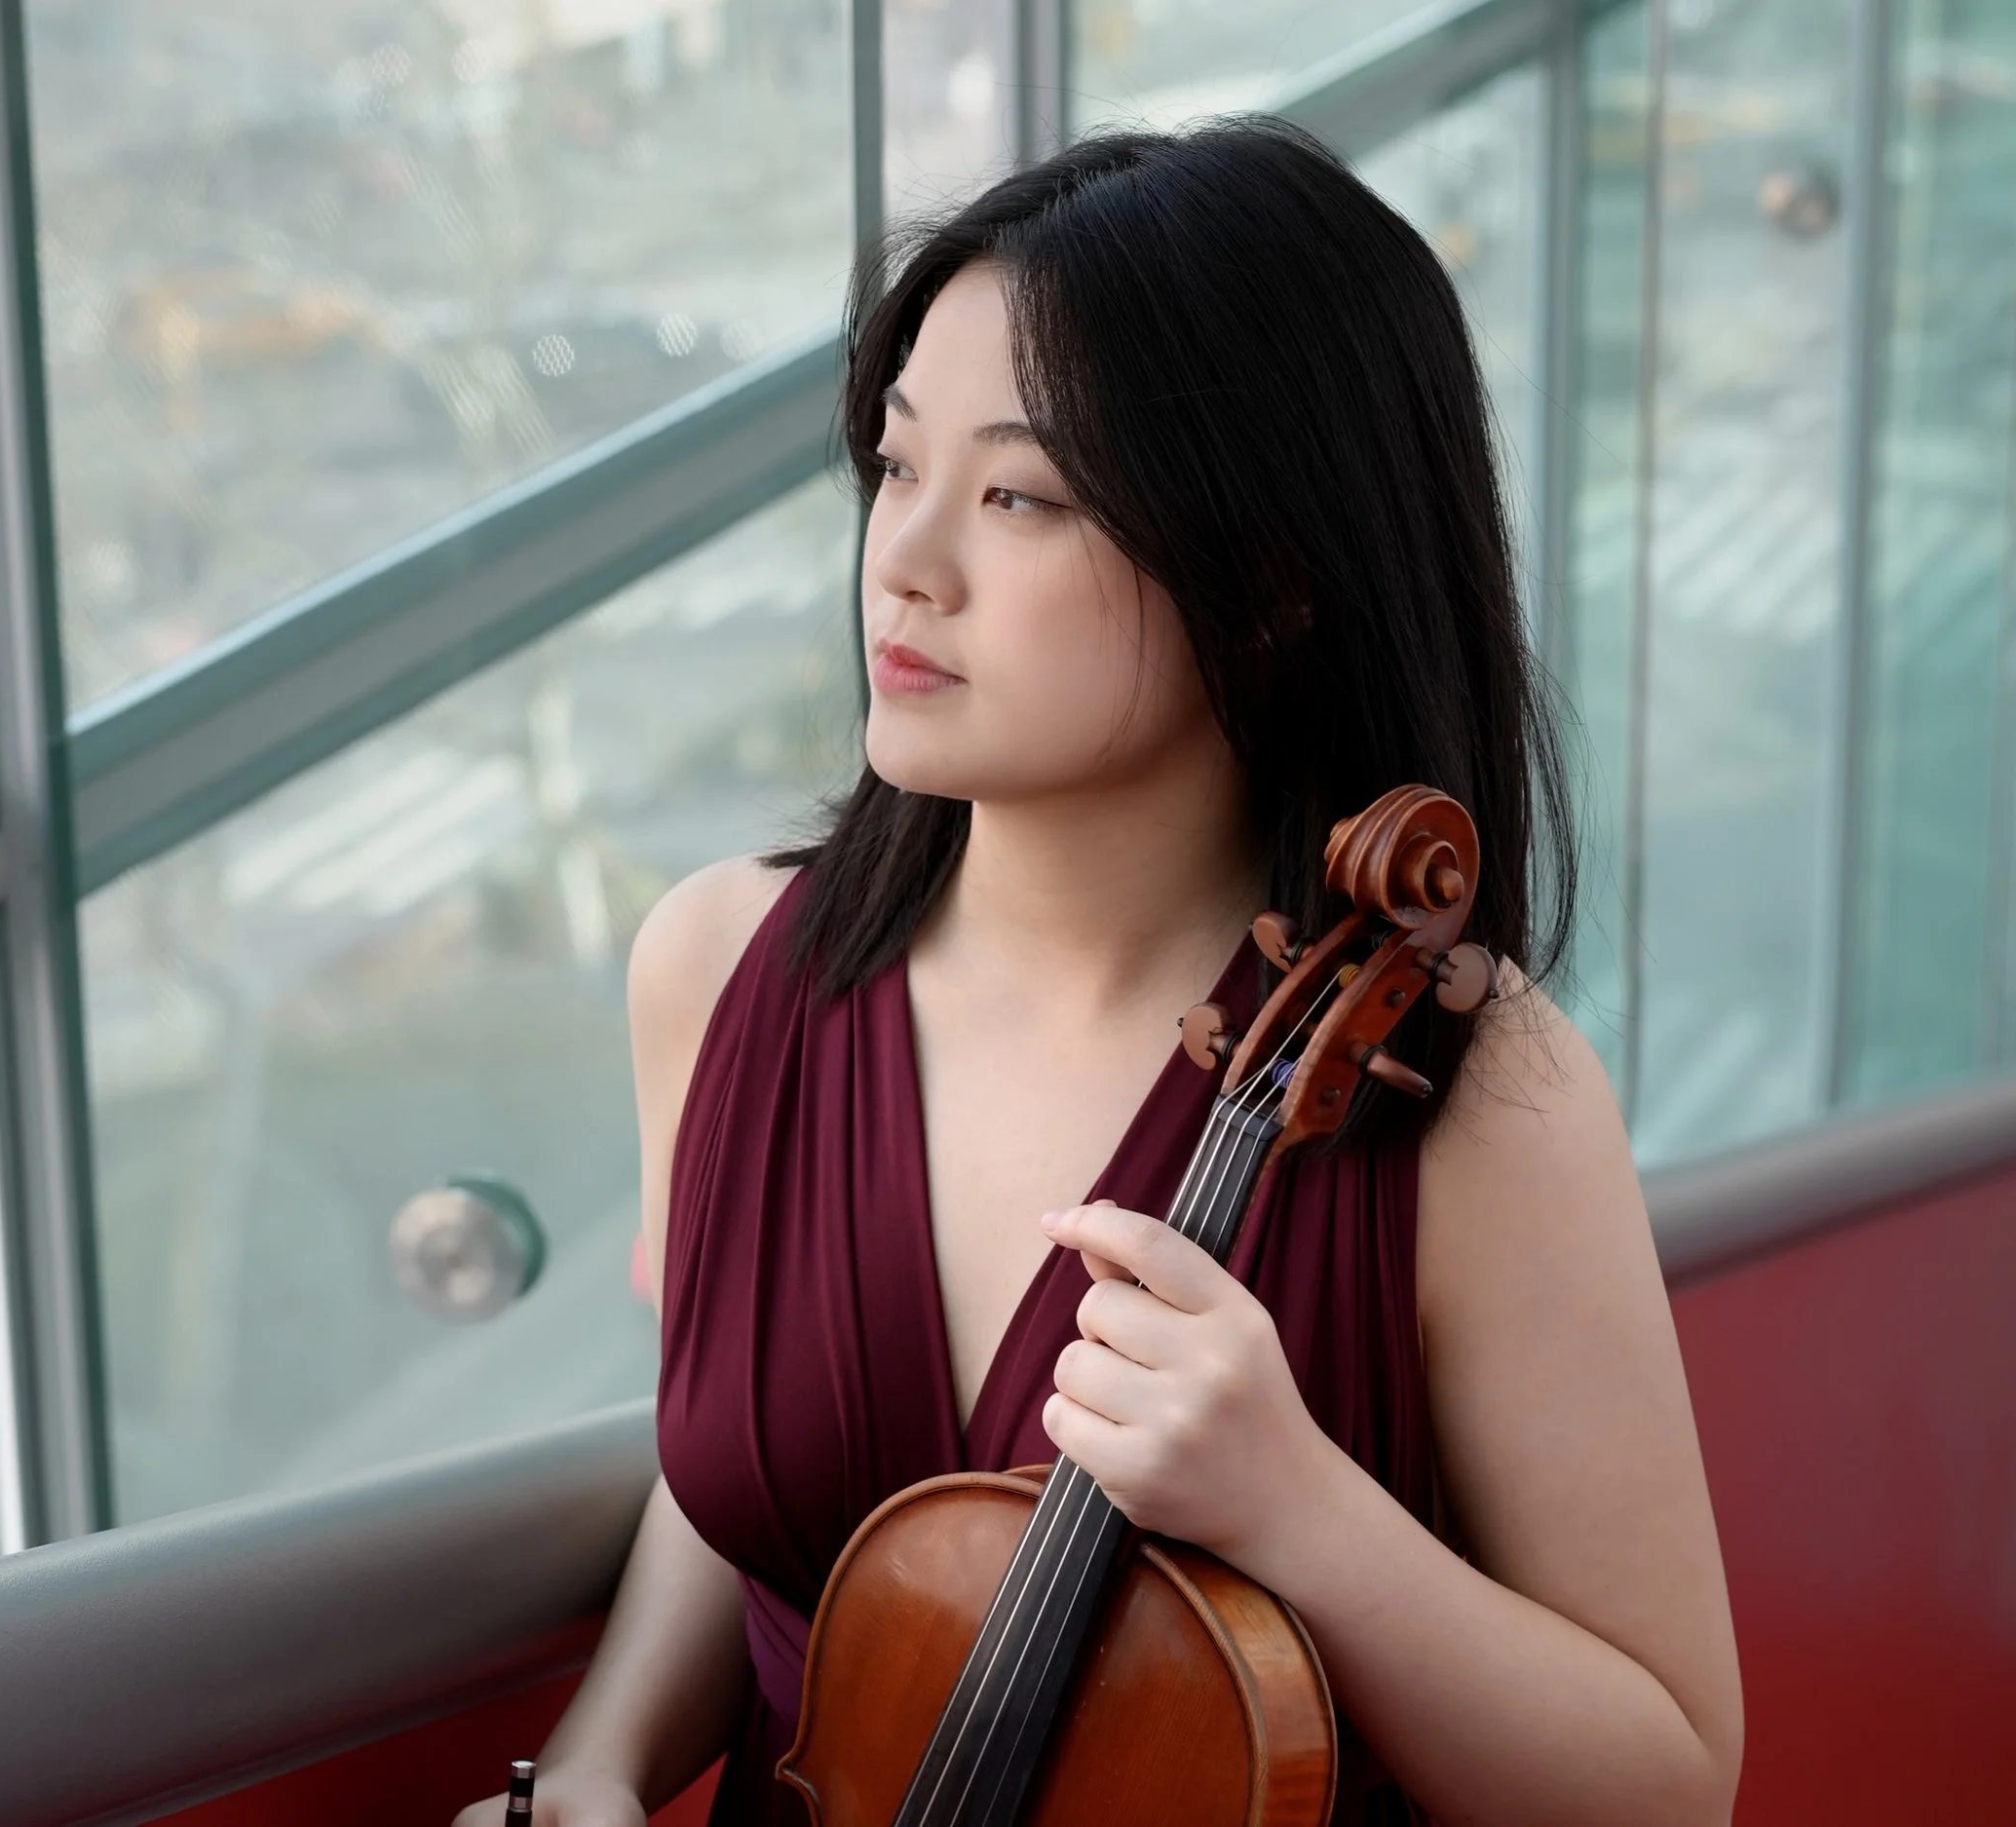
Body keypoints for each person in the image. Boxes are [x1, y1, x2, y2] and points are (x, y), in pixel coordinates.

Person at [456, 116, 1741, 1827]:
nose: (907, 562)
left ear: (1272, 585)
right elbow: (744, 1481)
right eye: (897, 466)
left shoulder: (1473, 1097)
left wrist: (1301, 1510)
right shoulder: (719, 967)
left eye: (1019, 495)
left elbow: (1669, 1787)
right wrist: (600, 1768)